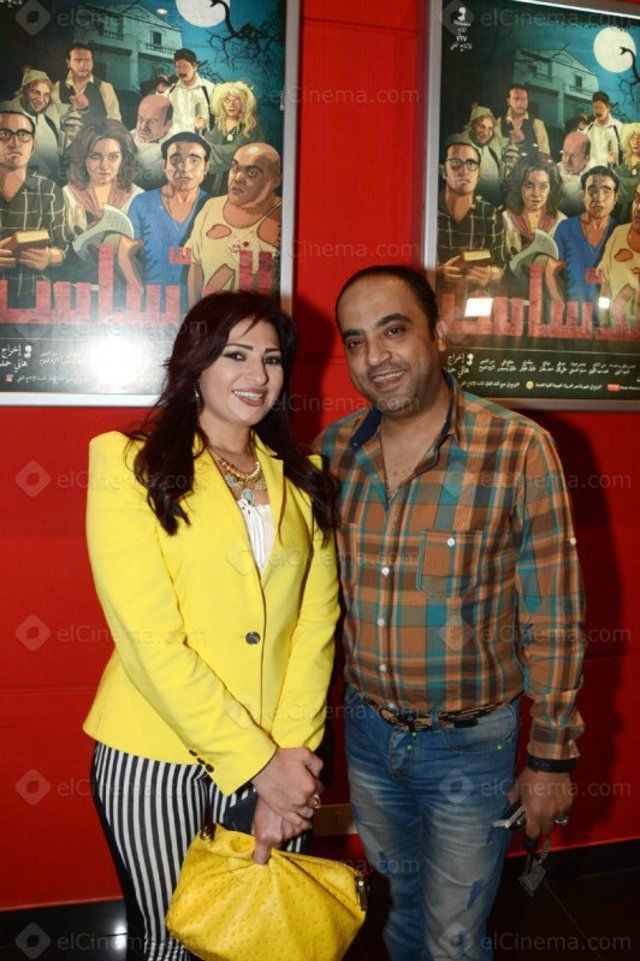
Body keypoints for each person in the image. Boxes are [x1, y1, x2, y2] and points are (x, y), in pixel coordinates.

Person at [316, 264, 585, 961]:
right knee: (398, 918)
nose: (375, 357)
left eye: (393, 331)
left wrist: (549, 759)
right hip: (369, 737)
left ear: (437, 334)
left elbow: (555, 616)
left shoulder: (519, 449)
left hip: (471, 745)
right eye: (356, 341)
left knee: (455, 938)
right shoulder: (333, 453)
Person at [85, 290, 340, 960]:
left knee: (262, 935)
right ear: (195, 364)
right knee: (171, 939)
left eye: (272, 359)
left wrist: (289, 762)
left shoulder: (306, 476)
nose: (257, 375)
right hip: (153, 750)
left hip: (281, 751)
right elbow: (148, 639)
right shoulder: (127, 463)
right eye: (236, 355)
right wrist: (257, 762)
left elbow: (316, 628)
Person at [118, 132, 209, 304]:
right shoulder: (142, 203)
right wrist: (139, 292)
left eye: (194, 160)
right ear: (164, 165)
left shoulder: (214, 206)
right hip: (153, 308)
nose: (184, 167)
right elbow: (125, 251)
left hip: (201, 309)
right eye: (176, 159)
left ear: (206, 167)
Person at [185, 142, 281, 304]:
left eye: (252, 173)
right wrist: (195, 316)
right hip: (211, 316)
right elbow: (196, 267)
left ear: (275, 181)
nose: (237, 179)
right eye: (235, 168)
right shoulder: (211, 207)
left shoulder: (286, 217)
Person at [61, 118, 142, 283]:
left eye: (113, 157)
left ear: (124, 159)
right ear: (82, 159)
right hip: (77, 281)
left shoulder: (138, 197)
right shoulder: (67, 195)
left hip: (123, 283)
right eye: (95, 156)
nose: (104, 166)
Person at [0, 110, 66, 307]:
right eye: (4, 134)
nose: (14, 143)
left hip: (34, 304)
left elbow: (64, 249)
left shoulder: (49, 190)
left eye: (23, 134)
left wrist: (49, 257)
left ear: (33, 144)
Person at [436, 139, 504, 299]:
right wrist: (437, 274)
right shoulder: (427, 212)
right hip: (433, 302)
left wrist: (490, 274)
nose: (464, 171)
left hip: (477, 304)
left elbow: (502, 267)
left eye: (471, 164)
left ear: (479, 174)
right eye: (455, 163)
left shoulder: (490, 215)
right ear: (443, 171)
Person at [549, 166, 618, 313]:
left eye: (606, 191)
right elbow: (551, 272)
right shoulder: (566, 228)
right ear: (583, 195)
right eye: (592, 190)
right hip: (573, 320)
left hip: (610, 321)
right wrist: (561, 306)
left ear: (615, 199)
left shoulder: (620, 233)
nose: (598, 197)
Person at [502, 160, 565, 296]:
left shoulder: (562, 223)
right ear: (519, 187)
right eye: (529, 185)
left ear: (551, 189)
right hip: (511, 292)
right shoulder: (505, 219)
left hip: (548, 295)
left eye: (543, 186)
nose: (536, 193)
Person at [51, 42, 121, 146]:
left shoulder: (105, 87)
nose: (83, 65)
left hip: (94, 147)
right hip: (65, 148)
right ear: (68, 63)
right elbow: (52, 121)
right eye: (78, 60)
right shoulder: (57, 87)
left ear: (93, 62)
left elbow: (115, 124)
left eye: (87, 60)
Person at [204, 81, 265, 196]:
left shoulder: (251, 127)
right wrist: (201, 129)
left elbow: (237, 152)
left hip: (241, 181)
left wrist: (205, 147)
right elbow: (208, 142)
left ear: (244, 103)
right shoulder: (219, 124)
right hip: (214, 182)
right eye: (227, 100)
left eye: (236, 100)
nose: (231, 105)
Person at [7, 68, 62, 181]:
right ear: (24, 92)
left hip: (53, 183)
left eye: (46, 94)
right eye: (36, 92)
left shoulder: (48, 118)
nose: (41, 100)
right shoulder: (8, 117)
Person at [599, 182, 640, 328]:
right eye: (637, 198)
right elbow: (605, 286)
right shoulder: (618, 233)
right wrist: (603, 323)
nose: (638, 208)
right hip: (616, 334)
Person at [495, 84, 550, 176]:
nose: (520, 103)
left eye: (524, 99)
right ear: (508, 101)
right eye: (516, 99)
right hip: (504, 178)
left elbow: (545, 155)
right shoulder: (499, 122)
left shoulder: (537, 124)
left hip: (529, 178)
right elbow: (494, 154)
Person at [460, 104, 502, 206]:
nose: (486, 133)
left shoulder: (491, 153)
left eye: (490, 129)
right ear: (473, 126)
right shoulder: (463, 150)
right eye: (482, 127)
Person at [130, 94, 175, 190]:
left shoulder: (175, 151)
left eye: (151, 122)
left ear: (168, 125)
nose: (143, 127)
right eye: (140, 120)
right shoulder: (123, 138)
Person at [165, 48, 215, 133]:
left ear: (195, 67)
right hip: (175, 139)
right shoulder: (170, 90)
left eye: (185, 66)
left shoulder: (209, 88)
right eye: (178, 67)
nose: (181, 70)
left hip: (201, 139)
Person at [556, 130, 590, 217]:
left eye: (574, 156)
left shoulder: (593, 181)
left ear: (586, 159)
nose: (567, 161)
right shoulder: (551, 171)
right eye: (565, 154)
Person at [586, 91, 623, 168]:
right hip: (592, 173)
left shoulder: (619, 128)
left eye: (601, 107)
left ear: (608, 108)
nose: (598, 111)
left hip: (612, 173)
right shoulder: (588, 130)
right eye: (595, 107)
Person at [613, 122, 640, 222]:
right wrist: (611, 164)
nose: (636, 142)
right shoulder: (624, 161)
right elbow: (616, 179)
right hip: (619, 209)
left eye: (639, 139)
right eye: (632, 138)